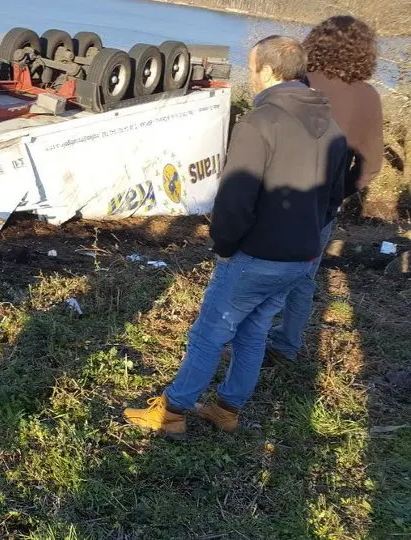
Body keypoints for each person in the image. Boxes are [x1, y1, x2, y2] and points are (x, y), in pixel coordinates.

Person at [123, 36, 349, 437]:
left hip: (255, 256)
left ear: (269, 71)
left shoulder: (260, 123)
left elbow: (234, 198)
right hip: (301, 257)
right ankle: (227, 409)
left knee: (209, 333)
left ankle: (173, 412)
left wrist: (225, 246)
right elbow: (334, 199)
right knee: (254, 331)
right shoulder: (332, 129)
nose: (251, 75)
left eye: (252, 67)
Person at [268, 16, 384, 362]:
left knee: (260, 270)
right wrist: (337, 192)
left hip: (276, 195)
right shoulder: (368, 97)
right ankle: (286, 344)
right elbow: (370, 165)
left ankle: (248, 338)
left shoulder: (296, 83)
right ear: (365, 52)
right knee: (302, 278)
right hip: (320, 206)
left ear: (315, 42)